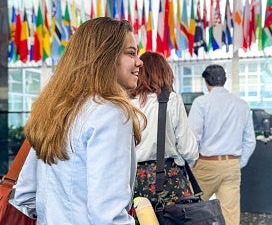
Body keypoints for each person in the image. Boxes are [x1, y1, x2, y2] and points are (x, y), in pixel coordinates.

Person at [13, 17, 146, 224]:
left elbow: (25, 195)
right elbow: (108, 217)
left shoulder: (55, 110)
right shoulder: (110, 113)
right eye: (131, 53)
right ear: (105, 57)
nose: (139, 61)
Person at [188, 64, 256, 225]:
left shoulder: (201, 103)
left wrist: (191, 165)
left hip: (206, 165)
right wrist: (237, 163)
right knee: (230, 216)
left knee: (192, 210)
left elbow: (193, 138)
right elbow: (250, 141)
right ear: (225, 80)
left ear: (206, 81)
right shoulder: (241, 104)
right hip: (232, 165)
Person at [130, 51, 198, 207]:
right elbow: (188, 149)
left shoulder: (126, 102)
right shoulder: (171, 100)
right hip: (169, 180)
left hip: (133, 181)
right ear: (165, 73)